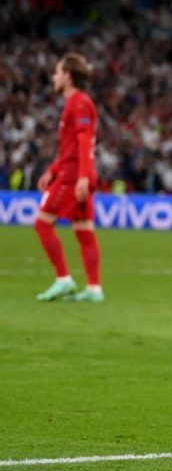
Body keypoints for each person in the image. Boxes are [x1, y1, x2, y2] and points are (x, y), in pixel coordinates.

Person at [34, 53, 104, 303]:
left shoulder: (79, 102)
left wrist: (82, 177)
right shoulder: (75, 103)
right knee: (84, 231)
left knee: (42, 224)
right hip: (76, 172)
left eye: (57, 72)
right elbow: (71, 147)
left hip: (75, 175)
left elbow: (84, 141)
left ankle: (63, 279)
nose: (54, 76)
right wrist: (52, 170)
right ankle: (94, 289)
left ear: (68, 76)